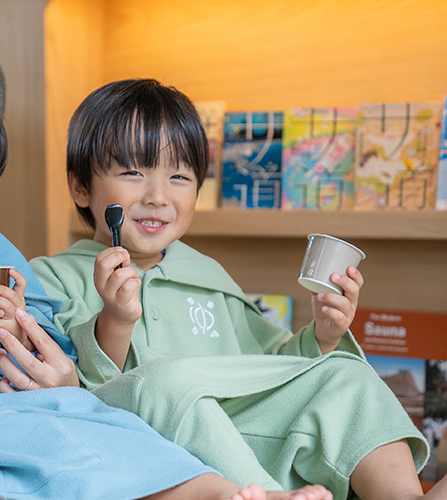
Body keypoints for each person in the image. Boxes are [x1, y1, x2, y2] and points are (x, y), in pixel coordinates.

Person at [0, 73, 333, 500]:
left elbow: (49, 355)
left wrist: (18, 328)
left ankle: (225, 492)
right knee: (49, 452)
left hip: (30, 404)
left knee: (117, 430)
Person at [29, 79, 443, 500]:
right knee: (162, 381)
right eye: (133, 172)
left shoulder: (206, 272)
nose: (157, 196)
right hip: (149, 450)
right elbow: (77, 394)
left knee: (346, 372)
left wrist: (324, 335)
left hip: (241, 433)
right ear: (81, 186)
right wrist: (115, 320)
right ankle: (264, 496)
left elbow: (270, 368)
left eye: (179, 176)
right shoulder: (51, 277)